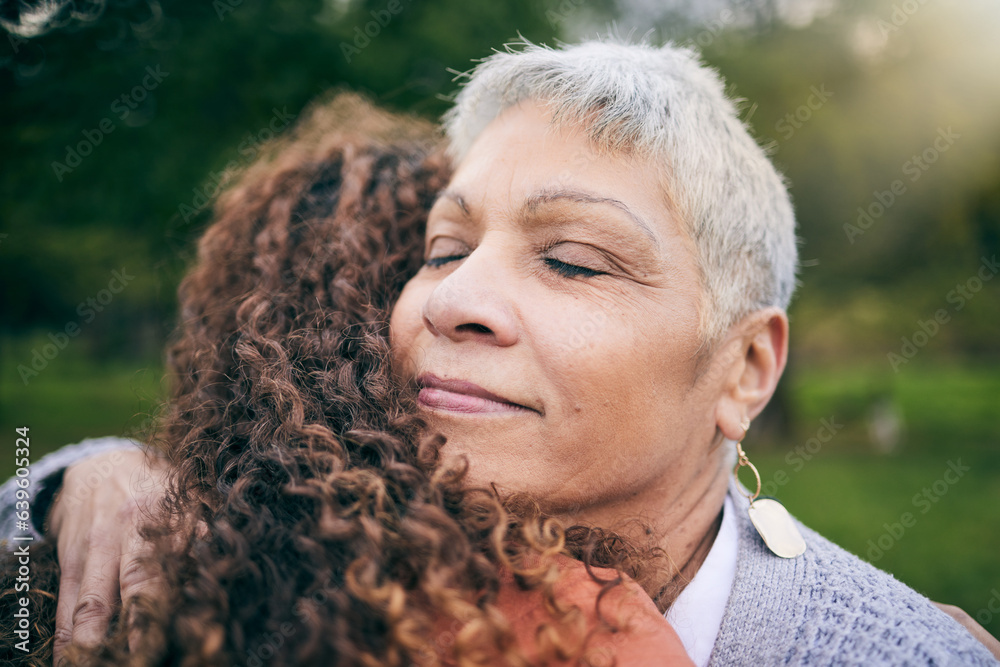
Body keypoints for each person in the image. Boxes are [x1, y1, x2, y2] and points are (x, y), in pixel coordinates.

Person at [3, 36, 999, 665]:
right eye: (443, 247)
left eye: (571, 261)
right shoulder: (317, 569)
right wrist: (83, 480)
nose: (456, 299)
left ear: (743, 370)